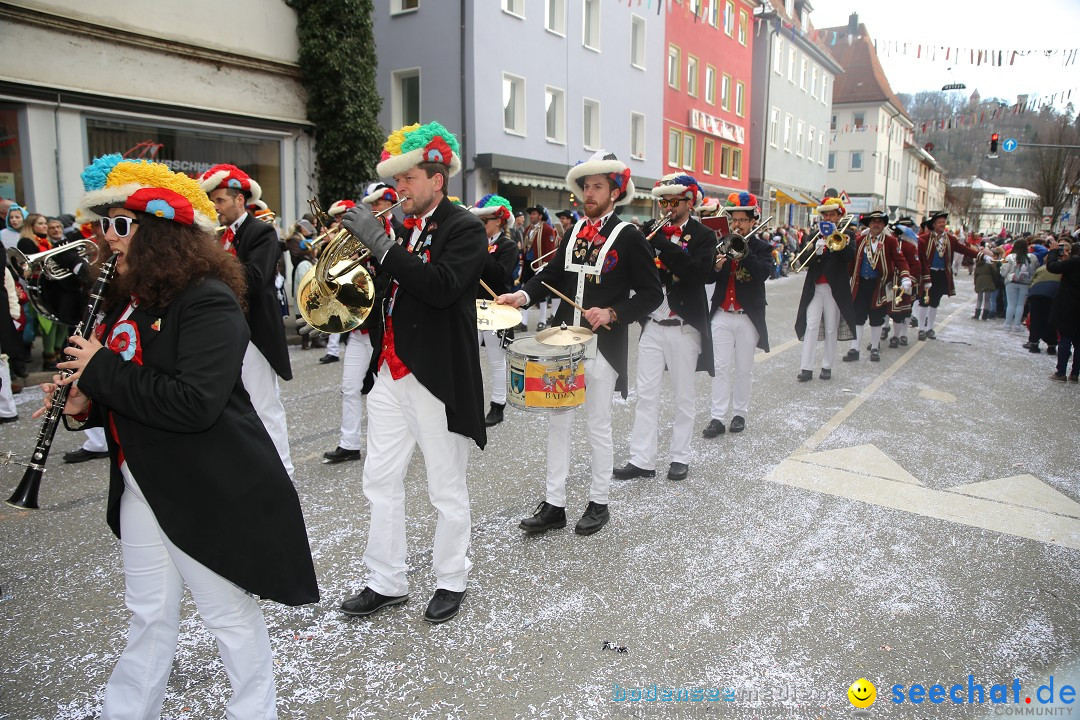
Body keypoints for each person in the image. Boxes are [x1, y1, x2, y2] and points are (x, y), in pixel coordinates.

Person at [45, 154, 317, 718]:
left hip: (203, 487)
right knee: (148, 614)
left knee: (227, 616)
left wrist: (100, 372)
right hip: (143, 478)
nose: (107, 239)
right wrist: (82, 405)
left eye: (122, 225)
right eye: (105, 225)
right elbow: (129, 394)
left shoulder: (208, 301)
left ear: (161, 235)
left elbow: (192, 404)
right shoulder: (129, 302)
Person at [337, 121, 486, 623]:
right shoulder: (405, 229)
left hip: (434, 377)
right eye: (397, 180)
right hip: (389, 371)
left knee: (445, 486)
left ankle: (451, 578)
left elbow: (441, 287)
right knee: (379, 480)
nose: (399, 188)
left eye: (409, 178)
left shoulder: (464, 228)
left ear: (437, 179)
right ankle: (386, 579)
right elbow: (391, 293)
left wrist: (382, 247)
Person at [498, 149, 662, 536]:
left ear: (614, 191)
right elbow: (550, 278)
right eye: (586, 186)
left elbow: (651, 293)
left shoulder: (629, 236)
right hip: (563, 342)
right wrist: (520, 297)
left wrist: (613, 313)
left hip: (602, 346)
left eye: (597, 186)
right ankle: (554, 504)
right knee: (558, 422)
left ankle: (598, 501)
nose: (589, 193)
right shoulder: (572, 232)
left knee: (597, 425)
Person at [613, 174, 713, 482]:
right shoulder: (649, 233)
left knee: (684, 396)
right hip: (653, 325)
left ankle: (680, 457)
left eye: (673, 202)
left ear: (689, 202)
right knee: (646, 395)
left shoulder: (703, 235)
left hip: (683, 327)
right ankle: (642, 459)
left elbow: (699, 274)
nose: (667, 208)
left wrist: (665, 247)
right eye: (663, 202)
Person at [199, 163, 294, 476]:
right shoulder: (219, 236)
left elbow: (255, 277)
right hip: (228, 330)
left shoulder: (261, 231)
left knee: (265, 404)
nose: (215, 207)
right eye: (213, 201)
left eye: (220, 200)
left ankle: (283, 471)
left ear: (240, 201)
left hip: (255, 332)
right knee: (235, 405)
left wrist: (214, 264)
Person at [702, 192, 772, 437]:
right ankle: (717, 417)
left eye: (743, 220)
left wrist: (745, 253)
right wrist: (716, 265)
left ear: (753, 221)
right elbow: (709, 277)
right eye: (734, 220)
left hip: (747, 316)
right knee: (720, 367)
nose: (737, 225)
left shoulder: (763, 247)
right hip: (722, 313)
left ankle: (740, 413)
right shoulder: (721, 244)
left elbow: (763, 273)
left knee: (743, 368)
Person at [793, 197, 857, 381]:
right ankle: (806, 368)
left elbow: (849, 256)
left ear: (839, 216)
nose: (828, 218)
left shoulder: (847, 235)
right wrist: (816, 251)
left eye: (832, 215)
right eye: (826, 215)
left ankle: (827, 366)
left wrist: (836, 240)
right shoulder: (815, 234)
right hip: (815, 287)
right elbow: (803, 260)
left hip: (834, 288)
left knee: (831, 328)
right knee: (811, 325)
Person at [471, 194, 519, 427]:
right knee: (469, 357)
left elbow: (501, 274)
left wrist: (481, 250)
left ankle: (497, 405)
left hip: (496, 308)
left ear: (498, 221)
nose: (481, 227)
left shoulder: (508, 246)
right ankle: (469, 403)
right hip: (474, 307)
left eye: (485, 222)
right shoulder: (480, 243)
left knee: (496, 360)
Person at [842, 210, 911, 363]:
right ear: (869, 224)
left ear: (883, 225)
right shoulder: (860, 240)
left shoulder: (890, 241)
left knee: (877, 318)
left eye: (879, 222)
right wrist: (846, 278)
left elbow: (900, 260)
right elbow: (852, 262)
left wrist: (906, 276)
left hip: (879, 285)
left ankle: (875, 348)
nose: (876, 224)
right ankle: (855, 349)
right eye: (873, 222)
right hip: (860, 284)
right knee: (857, 317)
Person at [917, 211, 980, 340]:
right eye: (939, 222)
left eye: (943, 222)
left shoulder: (950, 239)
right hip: (928, 273)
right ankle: (921, 329)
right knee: (924, 301)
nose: (942, 224)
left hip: (942, 274)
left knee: (935, 302)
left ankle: (929, 328)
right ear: (933, 224)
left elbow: (963, 249)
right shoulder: (924, 239)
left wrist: (979, 255)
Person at [519, 205, 558, 330]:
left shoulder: (547, 229)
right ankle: (523, 322)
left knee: (541, 295)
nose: (531, 216)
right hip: (528, 265)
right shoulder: (528, 229)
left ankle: (542, 321)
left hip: (540, 266)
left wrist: (545, 266)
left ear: (540, 216)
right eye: (530, 214)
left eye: (534, 214)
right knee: (526, 292)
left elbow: (550, 251)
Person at [886, 217, 922, 348]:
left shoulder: (910, 246)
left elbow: (916, 266)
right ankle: (894, 335)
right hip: (892, 282)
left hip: (906, 282)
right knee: (892, 310)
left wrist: (908, 280)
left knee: (906, 310)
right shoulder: (888, 245)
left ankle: (903, 335)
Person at [1047, 238, 1079, 382]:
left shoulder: (1073, 262)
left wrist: (1054, 251)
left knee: (1065, 338)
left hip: (1068, 304)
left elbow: (1052, 267)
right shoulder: (1072, 262)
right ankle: (1075, 373)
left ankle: (1061, 372)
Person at [1000, 238, 1036, 332]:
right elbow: (1034, 269)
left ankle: (1007, 324)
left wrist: (1004, 275)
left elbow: (1004, 270)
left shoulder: (1010, 256)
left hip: (1011, 281)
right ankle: (1017, 325)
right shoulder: (1032, 257)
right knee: (1020, 304)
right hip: (1025, 282)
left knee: (1011, 303)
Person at [1025, 257, 1060, 355]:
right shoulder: (1060, 268)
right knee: (1050, 319)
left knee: (1035, 319)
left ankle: (1034, 344)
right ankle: (1052, 346)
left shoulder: (1040, 268)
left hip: (1035, 293)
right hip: (1052, 294)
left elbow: (1033, 281)